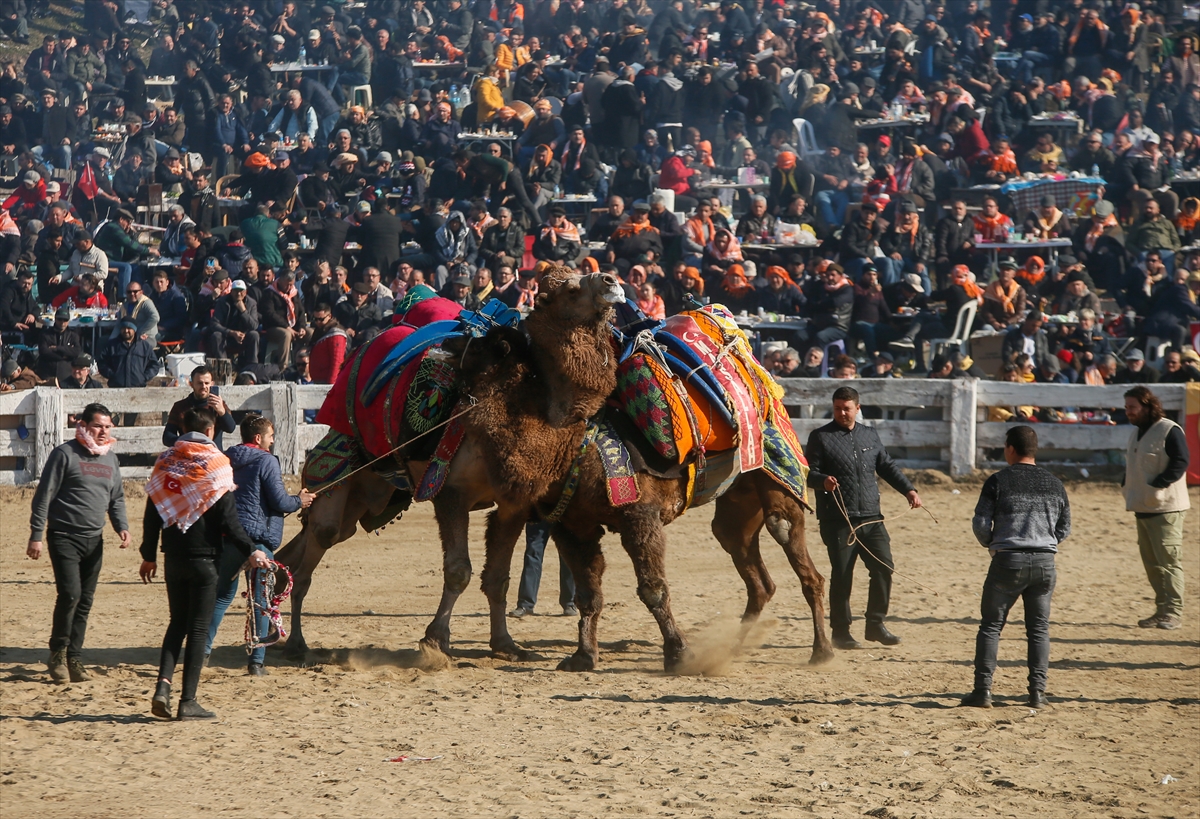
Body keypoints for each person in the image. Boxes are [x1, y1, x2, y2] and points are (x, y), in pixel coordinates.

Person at [140, 407, 272, 720]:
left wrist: (148, 555)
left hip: (173, 556)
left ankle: (162, 686)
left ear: (182, 427)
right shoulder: (216, 465)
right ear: (212, 431)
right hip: (205, 559)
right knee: (197, 631)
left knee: (176, 624)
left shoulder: (166, 462)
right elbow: (229, 519)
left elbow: (152, 510)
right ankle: (188, 701)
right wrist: (251, 550)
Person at [962, 425, 1070, 710]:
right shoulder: (1055, 483)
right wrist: (1046, 542)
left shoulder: (998, 480)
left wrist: (993, 543)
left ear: (1010, 448)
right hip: (1045, 563)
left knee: (991, 627)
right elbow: (1064, 527)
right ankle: (1038, 692)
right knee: (1038, 630)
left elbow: (980, 523)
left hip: (1008, 560)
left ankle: (983, 691)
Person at [805, 386, 922, 649]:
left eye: (847, 408)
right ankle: (841, 632)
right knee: (843, 574)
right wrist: (822, 480)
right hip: (838, 519)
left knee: (884, 568)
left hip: (871, 516)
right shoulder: (820, 437)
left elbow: (886, 466)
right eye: (837, 408)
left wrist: (909, 489)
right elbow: (807, 472)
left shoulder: (870, 434)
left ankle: (875, 624)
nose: (842, 413)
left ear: (858, 408)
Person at [27, 403, 130, 684]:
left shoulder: (110, 459)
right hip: (63, 537)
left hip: (94, 540)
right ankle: (57, 652)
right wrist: (36, 535)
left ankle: (75, 656)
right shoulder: (65, 454)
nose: (103, 431)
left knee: (85, 601)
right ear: (83, 425)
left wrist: (121, 526)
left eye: (107, 427)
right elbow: (44, 496)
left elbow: (116, 498)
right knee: (70, 594)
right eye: (98, 426)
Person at [206, 414, 315, 674]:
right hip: (258, 543)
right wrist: (300, 501)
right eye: (271, 436)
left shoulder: (226, 459)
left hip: (229, 538)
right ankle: (256, 662)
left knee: (221, 598)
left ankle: (202, 651)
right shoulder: (266, 461)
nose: (272, 440)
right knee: (261, 602)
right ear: (259, 438)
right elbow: (279, 501)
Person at [1123, 386, 1191, 631]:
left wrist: (1158, 485)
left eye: (1132, 407)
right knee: (1152, 564)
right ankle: (1162, 610)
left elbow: (1182, 461)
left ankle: (1173, 612)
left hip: (1165, 508)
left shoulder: (1169, 430)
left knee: (1169, 562)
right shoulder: (1138, 433)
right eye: (1127, 407)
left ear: (1146, 405)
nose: (1128, 412)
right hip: (1143, 506)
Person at [508, 523, 577, 618]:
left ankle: (570, 603)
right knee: (532, 552)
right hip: (539, 514)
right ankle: (525, 605)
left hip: (565, 513)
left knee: (568, 554)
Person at [164, 366, 236, 450]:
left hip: (213, 455)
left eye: (207, 383)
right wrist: (186, 442)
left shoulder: (218, 405)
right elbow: (167, 437)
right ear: (191, 384)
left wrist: (222, 412)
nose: (203, 386)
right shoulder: (180, 406)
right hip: (188, 454)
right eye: (199, 383)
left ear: (212, 384)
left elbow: (230, 428)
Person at [97, 319, 160, 388]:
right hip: (116, 388)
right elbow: (102, 363)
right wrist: (112, 375)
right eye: (123, 328)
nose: (126, 331)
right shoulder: (112, 345)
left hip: (138, 388)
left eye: (129, 328)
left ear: (134, 330)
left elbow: (154, 365)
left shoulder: (144, 346)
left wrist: (144, 377)